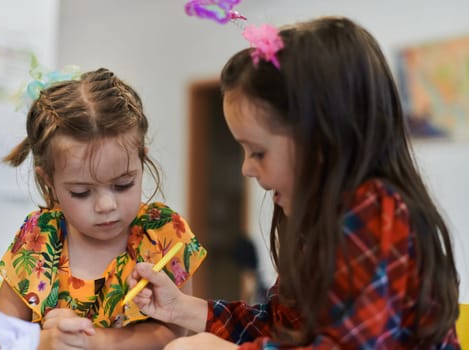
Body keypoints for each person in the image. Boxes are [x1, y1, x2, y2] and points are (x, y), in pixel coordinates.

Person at [126, 16, 461, 349]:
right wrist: (181, 307)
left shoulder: (377, 215)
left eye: (257, 152)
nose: (246, 169)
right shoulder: (318, 226)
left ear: (321, 141)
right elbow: (281, 326)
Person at [0, 67, 207, 349]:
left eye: (123, 185)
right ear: (50, 181)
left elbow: (173, 332)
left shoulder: (163, 232)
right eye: (81, 192)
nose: (106, 206)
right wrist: (48, 342)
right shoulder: (39, 235)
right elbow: (0, 332)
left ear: (141, 160)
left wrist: (94, 342)